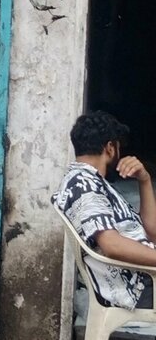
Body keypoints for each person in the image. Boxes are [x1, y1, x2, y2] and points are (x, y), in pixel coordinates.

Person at [54, 111, 156, 309]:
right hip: (139, 287)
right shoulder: (83, 185)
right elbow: (112, 245)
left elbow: (152, 232)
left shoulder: (93, 182)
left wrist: (144, 180)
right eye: (119, 146)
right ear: (110, 147)